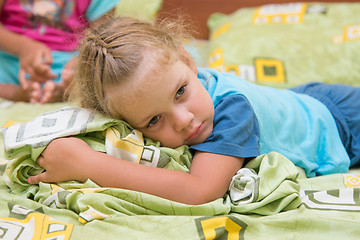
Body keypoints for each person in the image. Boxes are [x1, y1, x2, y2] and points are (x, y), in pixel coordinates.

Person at [27, 17, 360, 205]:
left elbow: (200, 190)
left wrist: (87, 163)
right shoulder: (174, 97)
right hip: (300, 105)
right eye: (154, 120)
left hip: (342, 118)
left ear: (189, 61)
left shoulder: (232, 110)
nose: (185, 120)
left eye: (181, 91)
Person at [0, 0, 120, 103]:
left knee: (103, 72)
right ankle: (18, 93)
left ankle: (64, 90)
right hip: (10, 55)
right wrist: (22, 47)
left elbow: (102, 36)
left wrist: (80, 62)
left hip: (69, 61)